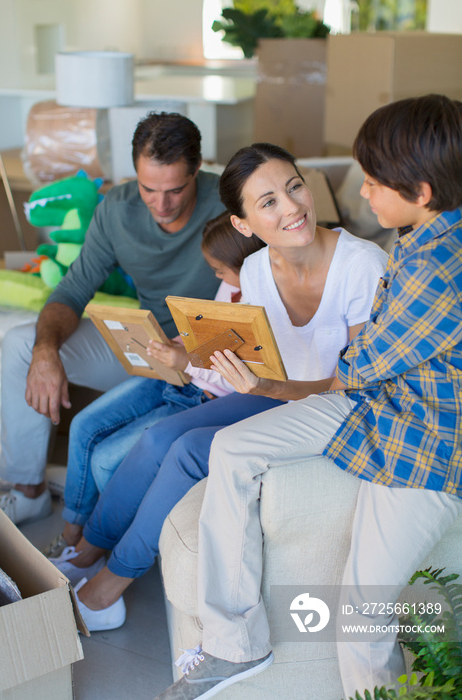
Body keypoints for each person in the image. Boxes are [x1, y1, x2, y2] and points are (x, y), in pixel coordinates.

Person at [153, 95, 462, 700]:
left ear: (421, 191)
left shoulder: (439, 267)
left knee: (359, 624)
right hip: (377, 408)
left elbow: (357, 367)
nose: (364, 197)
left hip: (421, 449)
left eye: (374, 182)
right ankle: (232, 645)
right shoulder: (417, 241)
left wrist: (263, 382)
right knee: (232, 450)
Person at [48, 143, 387, 632]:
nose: (292, 207)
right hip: (274, 393)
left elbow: (353, 387)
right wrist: (199, 359)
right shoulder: (253, 270)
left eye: (294, 187)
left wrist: (266, 385)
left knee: (189, 450)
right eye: (268, 201)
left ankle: (109, 589)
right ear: (244, 225)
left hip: (331, 408)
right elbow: (254, 355)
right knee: (157, 437)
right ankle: (87, 552)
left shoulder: (362, 266)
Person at [0, 111, 225, 525]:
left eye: (175, 189)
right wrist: (46, 351)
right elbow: (70, 292)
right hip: (146, 346)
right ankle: (28, 490)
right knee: (20, 343)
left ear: (198, 170)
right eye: (148, 188)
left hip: (205, 359)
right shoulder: (117, 210)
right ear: (134, 172)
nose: (161, 204)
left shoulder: (229, 201)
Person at [43, 211, 266, 559]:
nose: (217, 276)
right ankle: (74, 529)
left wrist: (186, 361)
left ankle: (101, 543)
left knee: (105, 459)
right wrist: (176, 344)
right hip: (179, 376)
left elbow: (246, 377)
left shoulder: (266, 303)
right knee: (85, 425)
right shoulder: (233, 285)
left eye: (221, 270)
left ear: (248, 263)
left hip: (206, 396)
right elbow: (207, 333)